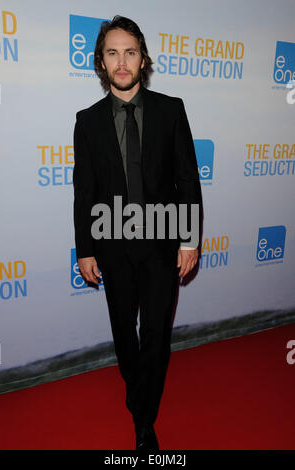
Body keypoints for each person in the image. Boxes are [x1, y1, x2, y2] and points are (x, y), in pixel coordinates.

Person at [73, 15, 202, 451]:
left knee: (157, 336)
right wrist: (85, 250)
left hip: (163, 242)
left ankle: (143, 420)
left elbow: (187, 179)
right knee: (124, 333)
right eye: (113, 52)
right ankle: (138, 394)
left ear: (142, 59)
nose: (122, 61)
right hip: (111, 245)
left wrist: (189, 239)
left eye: (130, 51)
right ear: (101, 61)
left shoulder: (171, 109)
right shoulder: (87, 122)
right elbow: (84, 192)